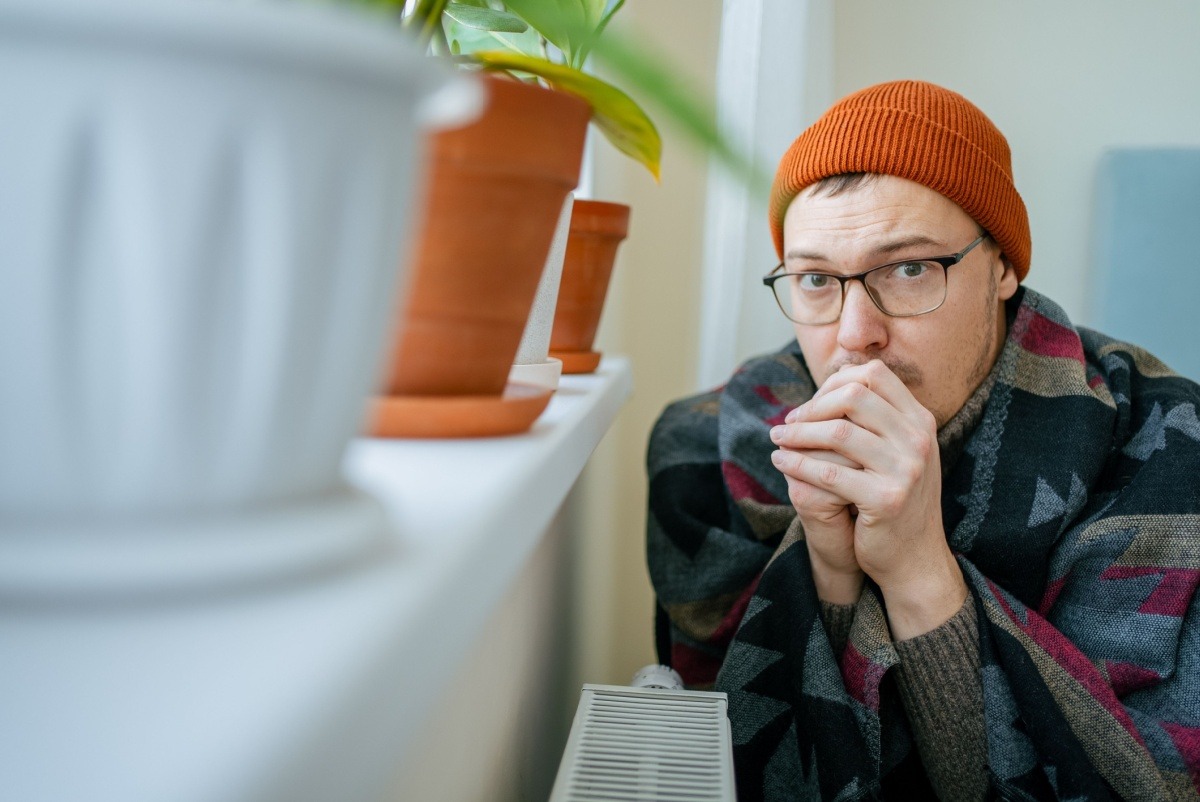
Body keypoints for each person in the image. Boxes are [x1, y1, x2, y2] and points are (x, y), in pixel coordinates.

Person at [646, 80, 1200, 801]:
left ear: (1002, 266)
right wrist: (829, 573)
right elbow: (715, 761)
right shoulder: (709, 449)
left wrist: (918, 572)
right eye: (815, 279)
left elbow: (1146, 782)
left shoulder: (1167, 449)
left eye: (909, 269)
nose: (855, 336)